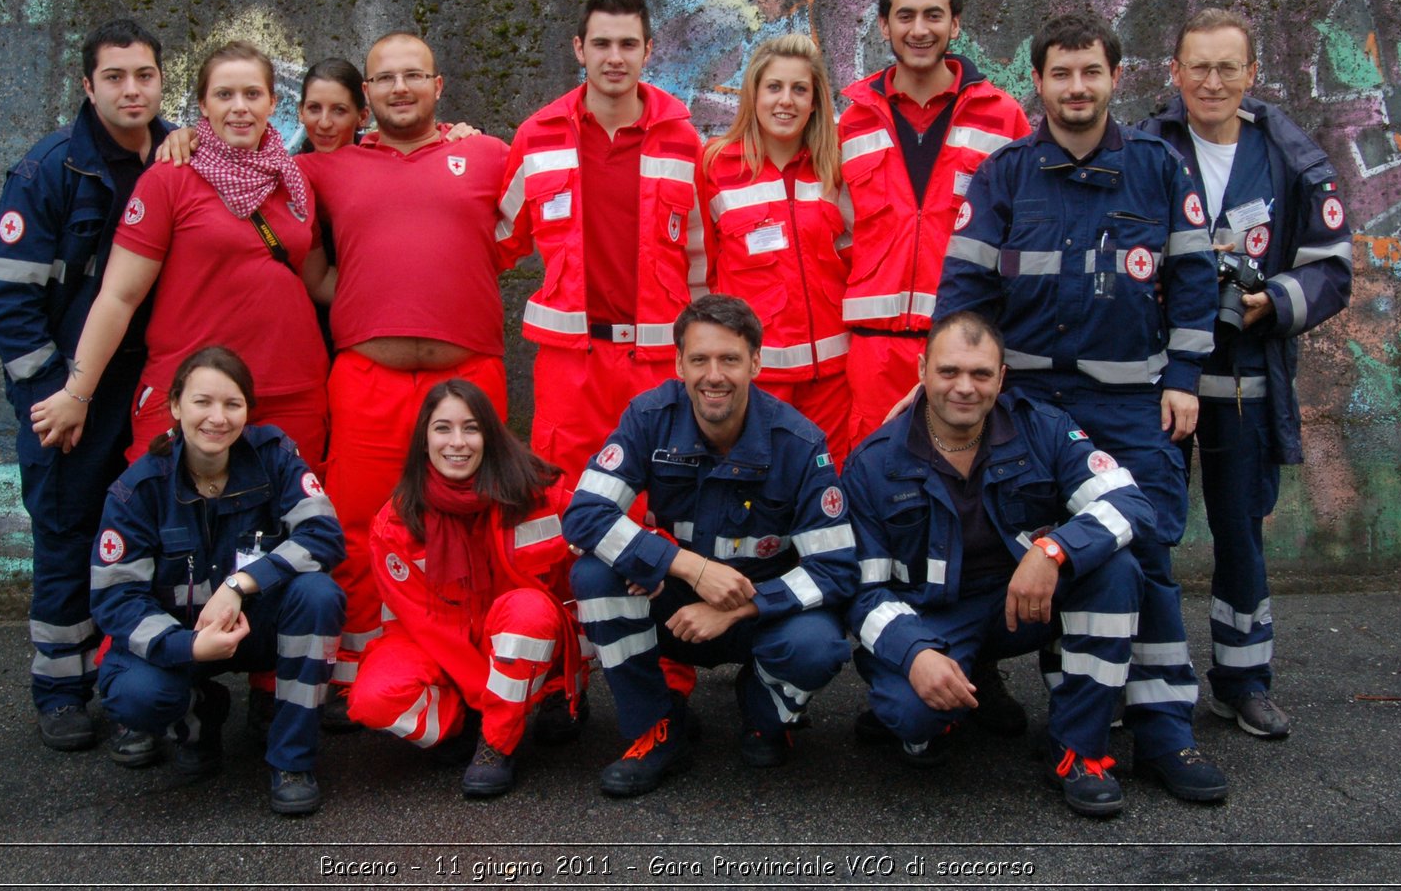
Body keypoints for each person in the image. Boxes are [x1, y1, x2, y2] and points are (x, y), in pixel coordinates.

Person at [937, 13, 1228, 802]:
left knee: (1148, 562)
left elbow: (1198, 281)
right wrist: (964, 389)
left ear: (1114, 78)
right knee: (1052, 556)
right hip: (1027, 410)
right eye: (1060, 74)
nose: (1076, 87)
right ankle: (1080, 732)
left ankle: (1165, 735)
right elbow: (964, 295)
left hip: (1131, 406)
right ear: (1038, 81)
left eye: (1089, 72)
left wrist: (1183, 377)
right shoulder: (1004, 175)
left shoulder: (1160, 169)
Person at [1139, 8, 1353, 739]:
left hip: (1245, 376)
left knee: (1240, 532)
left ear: (1253, 75)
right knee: (1146, 532)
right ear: (1174, 72)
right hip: (1160, 374)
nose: (1212, 81)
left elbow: (1333, 269)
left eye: (1229, 67)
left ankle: (1243, 679)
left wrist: (1274, 300)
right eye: (1198, 66)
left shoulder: (1290, 157)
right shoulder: (1148, 148)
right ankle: (1142, 681)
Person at [845, 312, 1148, 816]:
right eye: (949, 372)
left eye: (981, 374)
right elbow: (861, 591)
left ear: (1001, 378)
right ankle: (917, 700)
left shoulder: (1042, 427)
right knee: (915, 717)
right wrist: (913, 653)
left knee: (1117, 570)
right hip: (931, 618)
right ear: (921, 370)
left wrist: (1054, 551)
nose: (964, 387)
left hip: (1020, 603)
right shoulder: (874, 463)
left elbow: (1131, 503)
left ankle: (1080, 750)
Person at [564, 295, 856, 797]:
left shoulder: (800, 443)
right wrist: (686, 567)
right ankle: (655, 728)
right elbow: (584, 515)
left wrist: (741, 609)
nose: (713, 375)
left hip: (762, 615)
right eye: (699, 359)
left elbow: (835, 569)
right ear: (679, 363)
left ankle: (765, 712)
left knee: (818, 645)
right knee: (594, 575)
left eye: (730, 359)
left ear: (757, 363)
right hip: (676, 600)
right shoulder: (649, 417)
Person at [300, 32, 514, 711]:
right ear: (365, 96)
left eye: (413, 76)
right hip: (367, 375)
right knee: (355, 523)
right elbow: (251, 189)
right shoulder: (323, 168)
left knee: (479, 521)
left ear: (438, 85)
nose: (399, 88)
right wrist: (180, 140)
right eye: (384, 79)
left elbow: (522, 236)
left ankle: (476, 664)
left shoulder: (487, 154)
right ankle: (350, 669)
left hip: (469, 374)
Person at [0, 18, 174, 753]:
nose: (133, 89)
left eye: (145, 75)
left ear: (162, 80)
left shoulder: (182, 152)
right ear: (87, 86)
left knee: (145, 537)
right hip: (68, 391)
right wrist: (53, 396)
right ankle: (60, 688)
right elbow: (10, 303)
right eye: (116, 77)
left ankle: (135, 682)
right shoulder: (50, 171)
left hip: (149, 386)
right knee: (67, 533)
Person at [29, 40, 329, 469]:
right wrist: (77, 393)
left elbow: (316, 280)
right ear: (203, 106)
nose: (240, 107)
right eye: (224, 95)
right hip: (186, 391)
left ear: (273, 102)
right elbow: (118, 297)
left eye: (252, 94)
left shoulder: (295, 180)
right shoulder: (170, 178)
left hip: (291, 389)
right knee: (163, 520)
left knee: (284, 527)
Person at [89, 346, 345, 815]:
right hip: (181, 637)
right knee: (134, 694)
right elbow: (116, 600)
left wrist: (239, 585)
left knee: (318, 594)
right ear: (174, 406)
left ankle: (292, 761)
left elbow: (324, 535)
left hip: (256, 623)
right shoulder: (138, 489)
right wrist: (187, 647)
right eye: (202, 402)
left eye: (233, 404)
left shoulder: (274, 456)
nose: (217, 418)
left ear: (247, 411)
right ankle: (198, 715)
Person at [496, 0, 707, 486]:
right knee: (566, 501)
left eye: (628, 44)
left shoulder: (683, 141)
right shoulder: (537, 137)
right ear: (579, 49)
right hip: (571, 368)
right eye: (602, 44)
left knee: (661, 501)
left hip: (657, 364)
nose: (615, 58)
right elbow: (499, 240)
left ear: (648, 51)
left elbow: (706, 260)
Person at [346, 380, 584, 798]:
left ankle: (497, 745)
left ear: (489, 436)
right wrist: (487, 698)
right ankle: (466, 725)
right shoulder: (396, 522)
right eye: (442, 428)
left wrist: (660, 556)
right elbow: (429, 630)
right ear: (423, 440)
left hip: (532, 641)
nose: (457, 442)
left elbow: (606, 519)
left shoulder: (535, 491)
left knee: (527, 609)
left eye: (471, 428)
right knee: (373, 700)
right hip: (443, 649)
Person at [837, 0, 1029, 448]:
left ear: (955, 24)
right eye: (905, 16)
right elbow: (831, 234)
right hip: (873, 353)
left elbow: (1026, 231)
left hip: (964, 351)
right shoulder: (853, 121)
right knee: (872, 483)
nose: (919, 29)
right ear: (884, 25)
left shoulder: (1002, 117)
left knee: (962, 485)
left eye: (933, 15)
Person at [698, 34, 854, 462]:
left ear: (815, 101)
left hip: (833, 382)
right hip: (757, 379)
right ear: (754, 94)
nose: (786, 101)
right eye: (774, 87)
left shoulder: (836, 170)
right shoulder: (715, 167)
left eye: (799, 89)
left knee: (827, 495)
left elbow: (855, 262)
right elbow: (702, 272)